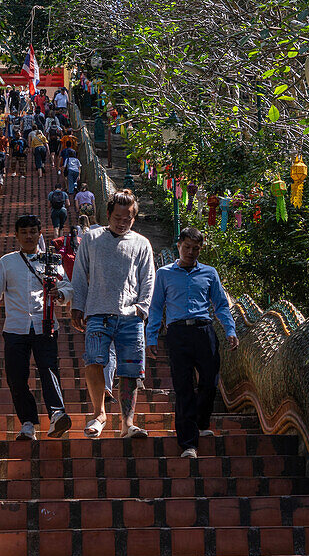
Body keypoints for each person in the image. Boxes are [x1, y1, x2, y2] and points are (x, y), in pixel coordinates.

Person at [145, 228, 238, 459]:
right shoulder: (165, 274)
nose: (190, 252)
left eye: (195, 248)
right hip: (177, 333)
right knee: (184, 387)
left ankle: (201, 421)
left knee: (210, 381)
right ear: (179, 246)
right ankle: (188, 444)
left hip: (204, 330)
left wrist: (230, 329)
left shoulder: (209, 273)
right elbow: (156, 307)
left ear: (201, 249)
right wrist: (152, 336)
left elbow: (221, 304)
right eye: (187, 247)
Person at [71, 189, 155, 439]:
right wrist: (78, 304)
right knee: (94, 362)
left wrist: (142, 308)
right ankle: (99, 414)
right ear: (108, 214)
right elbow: (79, 273)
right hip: (98, 312)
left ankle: (127, 423)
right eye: (117, 217)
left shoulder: (141, 243)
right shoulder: (92, 238)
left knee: (130, 371)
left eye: (127, 218)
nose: (122, 222)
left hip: (131, 316)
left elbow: (149, 278)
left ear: (134, 218)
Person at [0, 214, 73, 441]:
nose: (29, 236)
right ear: (17, 235)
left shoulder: (52, 260)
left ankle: (57, 415)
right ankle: (28, 423)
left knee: (49, 370)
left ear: (40, 234)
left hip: (46, 325)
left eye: (33, 231)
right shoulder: (7, 261)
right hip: (15, 327)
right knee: (16, 377)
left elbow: (67, 286)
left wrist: (60, 294)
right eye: (24, 232)